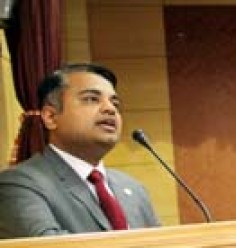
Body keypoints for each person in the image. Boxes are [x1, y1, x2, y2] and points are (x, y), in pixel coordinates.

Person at [0, 63, 159, 238]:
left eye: (115, 103)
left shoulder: (132, 187)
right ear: (51, 117)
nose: (110, 109)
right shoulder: (18, 185)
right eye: (91, 99)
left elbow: (162, 246)